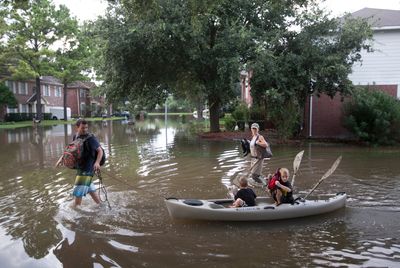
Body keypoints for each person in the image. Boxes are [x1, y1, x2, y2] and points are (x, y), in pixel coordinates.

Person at [56, 119, 102, 207]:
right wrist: (61, 159)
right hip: (81, 167)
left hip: (87, 169)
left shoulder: (91, 138)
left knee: (77, 194)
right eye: (82, 128)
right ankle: (101, 205)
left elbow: (100, 151)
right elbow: (71, 150)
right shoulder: (76, 136)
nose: (85, 129)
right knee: (90, 189)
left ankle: (75, 213)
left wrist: (97, 163)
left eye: (86, 127)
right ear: (77, 128)